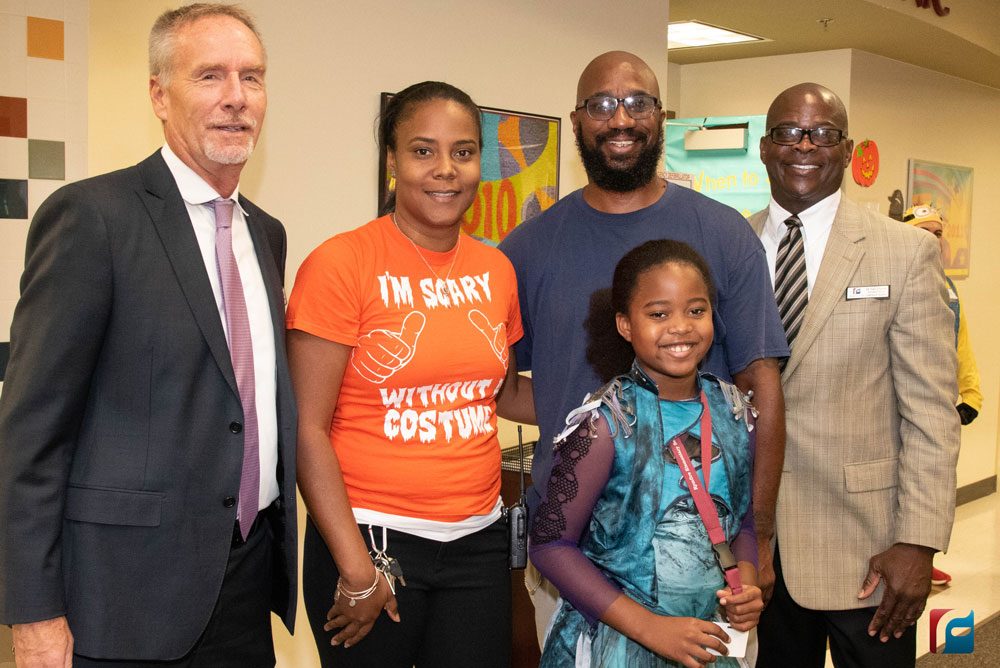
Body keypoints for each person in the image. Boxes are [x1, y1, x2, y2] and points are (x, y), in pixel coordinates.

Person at [0, 4, 297, 667]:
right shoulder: (92, 219)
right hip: (122, 599)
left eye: (252, 77)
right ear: (160, 95)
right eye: (210, 76)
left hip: (246, 586)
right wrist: (34, 614)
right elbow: (31, 435)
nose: (235, 98)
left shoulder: (266, 233)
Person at [498, 50, 788, 636]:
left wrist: (762, 539)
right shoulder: (528, 249)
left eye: (638, 102)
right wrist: (600, 425)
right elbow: (504, 390)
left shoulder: (723, 234)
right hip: (574, 555)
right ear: (577, 120)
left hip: (707, 557)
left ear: (661, 115)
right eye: (602, 105)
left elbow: (762, 387)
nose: (621, 119)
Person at [287, 80, 534, 668]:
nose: (445, 170)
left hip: (478, 539)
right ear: (392, 161)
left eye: (463, 152)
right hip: (371, 540)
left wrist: (618, 400)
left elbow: (497, 392)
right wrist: (355, 570)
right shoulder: (341, 263)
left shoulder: (496, 268)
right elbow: (304, 430)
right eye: (423, 151)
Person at [749, 83, 960, 668]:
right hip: (753, 552)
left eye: (824, 133)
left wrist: (918, 542)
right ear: (765, 149)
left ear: (846, 152)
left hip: (868, 552)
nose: (805, 145)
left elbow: (931, 414)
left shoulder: (904, 252)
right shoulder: (727, 246)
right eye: (788, 132)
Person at [529, 239, 763, 667]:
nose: (681, 327)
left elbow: (741, 524)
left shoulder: (733, 413)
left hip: (705, 641)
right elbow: (550, 546)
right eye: (658, 314)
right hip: (616, 644)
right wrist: (648, 627)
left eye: (697, 311)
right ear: (625, 324)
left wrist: (744, 581)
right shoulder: (608, 423)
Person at [902, 204, 983, 587]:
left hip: (942, 406)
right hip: (902, 408)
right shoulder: (897, 277)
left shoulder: (949, 289)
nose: (934, 239)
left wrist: (970, 396)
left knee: (936, 483)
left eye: (938, 233)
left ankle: (926, 552)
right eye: (925, 231)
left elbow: (960, 346)